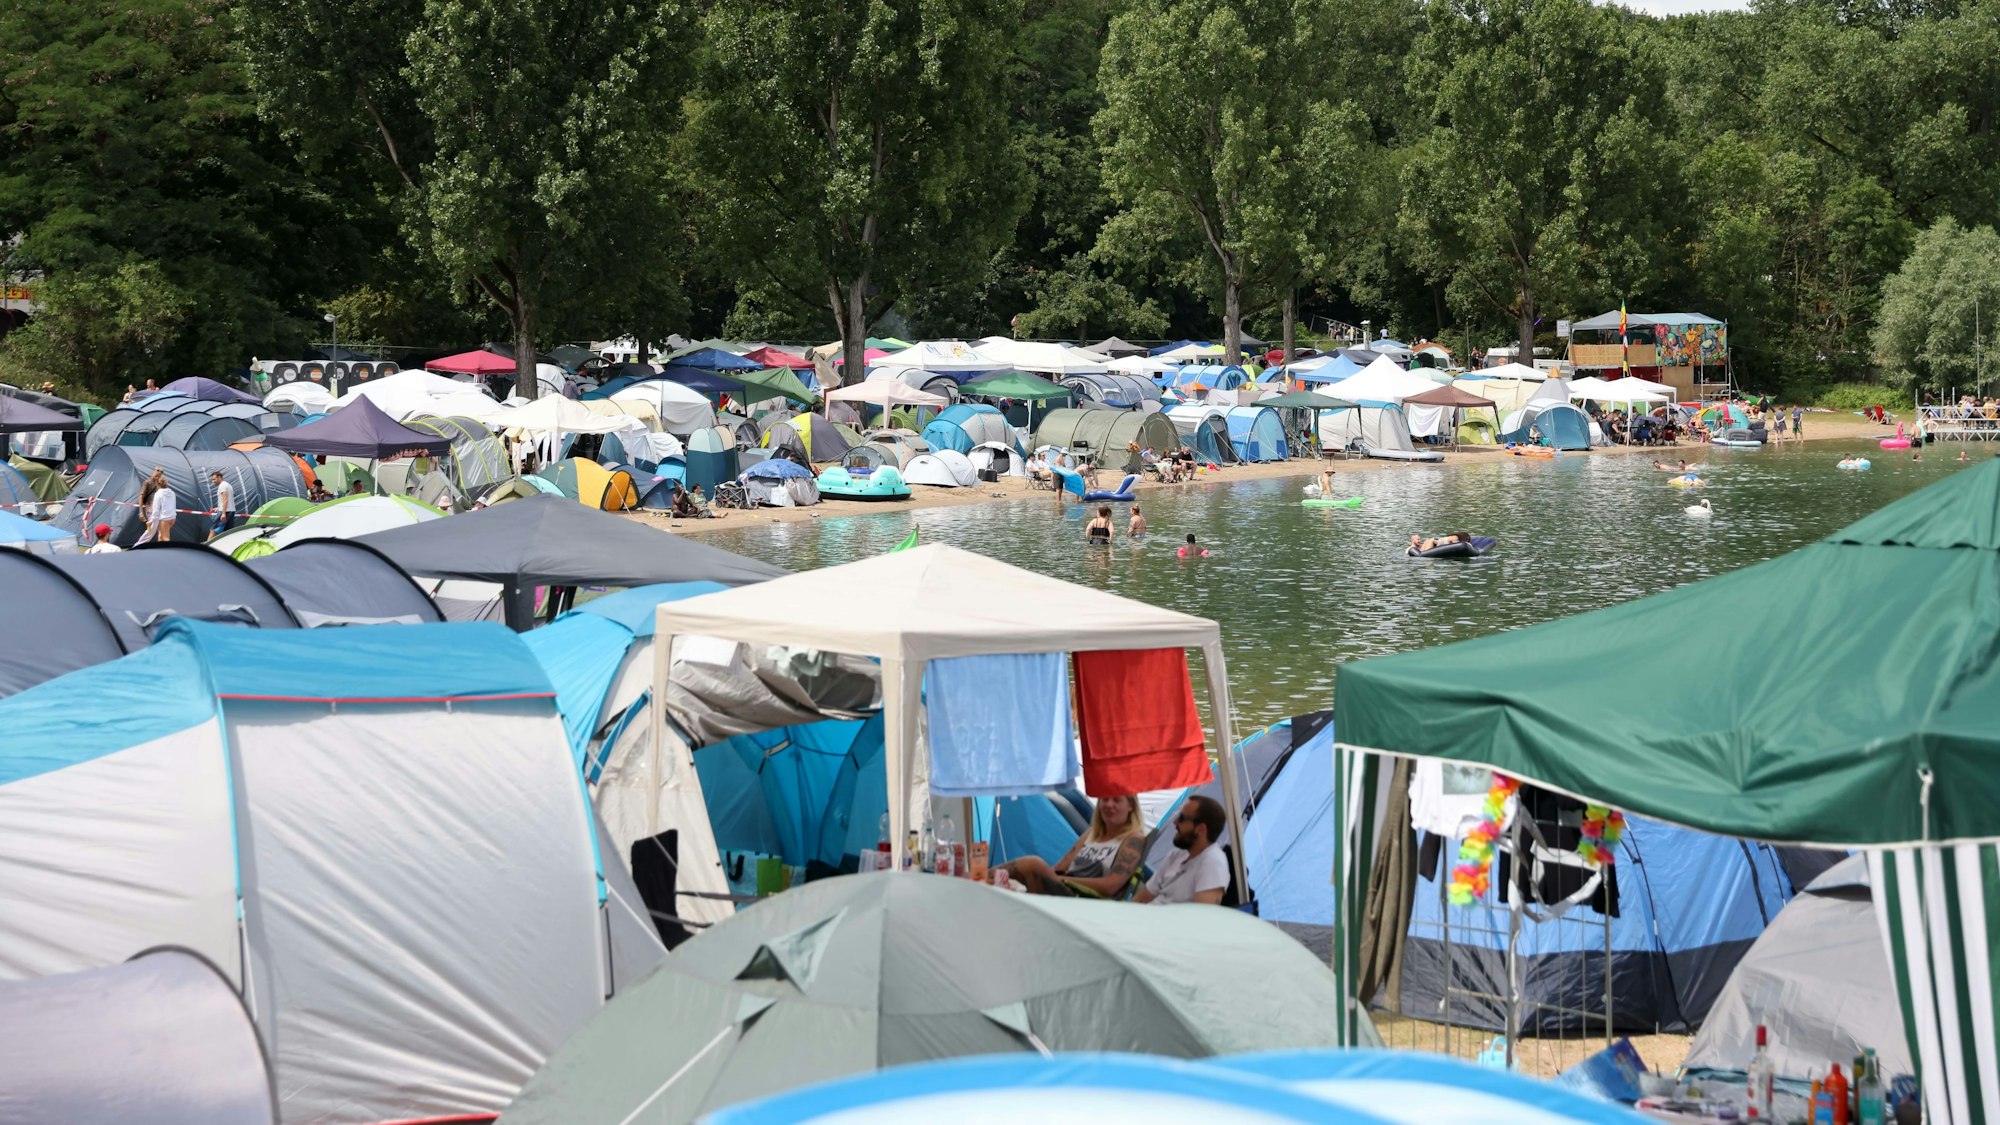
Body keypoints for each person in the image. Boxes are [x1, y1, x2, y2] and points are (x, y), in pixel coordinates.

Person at [993, 794, 1145, 898]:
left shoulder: (1133, 839)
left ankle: (976, 877)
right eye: (1104, 800)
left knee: (1033, 864)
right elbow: (1059, 868)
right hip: (1065, 891)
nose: (1109, 805)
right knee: (1015, 882)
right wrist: (1048, 877)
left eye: (1116, 800)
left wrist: (1065, 881)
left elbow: (1110, 886)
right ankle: (980, 881)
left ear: (1131, 806)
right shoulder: (1091, 833)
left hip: (1084, 900)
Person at [1134, 795, 1229, 906]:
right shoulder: (1176, 855)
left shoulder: (1214, 863)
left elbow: (1202, 918)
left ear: (1200, 829)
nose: (1175, 822)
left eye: (1182, 818)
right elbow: (1142, 898)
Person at [135, 468, 175, 544]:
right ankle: (138, 546)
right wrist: (140, 512)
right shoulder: (147, 482)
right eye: (157, 470)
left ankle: (161, 549)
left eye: (161, 471)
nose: (159, 472)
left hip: (160, 511)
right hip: (151, 510)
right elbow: (141, 496)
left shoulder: (160, 483)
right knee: (151, 531)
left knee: (161, 533)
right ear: (153, 471)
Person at [208, 471, 235, 539]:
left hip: (225, 512)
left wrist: (223, 513)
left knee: (213, 530)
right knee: (228, 532)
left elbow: (225, 500)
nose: (213, 481)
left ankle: (206, 547)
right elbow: (227, 500)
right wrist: (217, 508)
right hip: (231, 511)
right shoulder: (228, 485)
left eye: (214, 479)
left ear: (219, 477)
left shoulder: (222, 486)